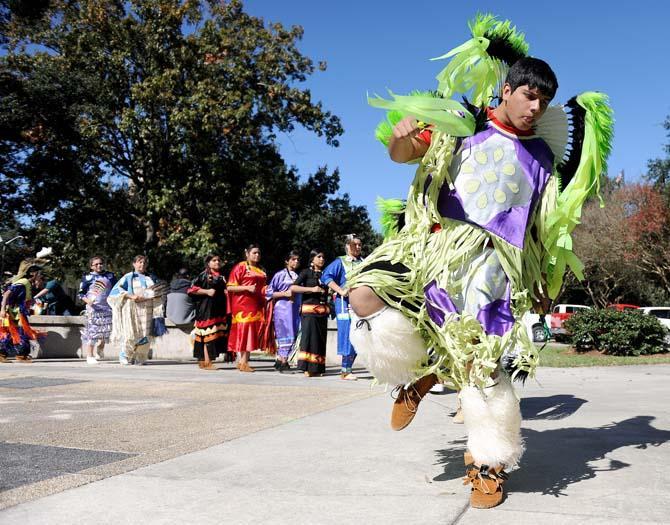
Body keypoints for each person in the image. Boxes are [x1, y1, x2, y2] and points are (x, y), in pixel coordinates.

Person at [347, 14, 613, 509]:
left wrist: (539, 279)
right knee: (363, 293)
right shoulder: (461, 123)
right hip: (436, 249)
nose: (536, 107)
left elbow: (541, 226)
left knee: (484, 368)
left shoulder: (543, 159)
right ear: (507, 89)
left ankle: (488, 466)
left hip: (496, 268)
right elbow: (404, 153)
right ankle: (415, 373)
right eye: (529, 96)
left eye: (545, 101)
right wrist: (403, 135)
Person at [108, 255, 167, 365]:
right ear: (134, 264)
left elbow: (160, 291)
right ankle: (125, 355)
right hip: (133, 310)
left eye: (144, 262)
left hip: (149, 309)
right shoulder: (128, 277)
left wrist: (155, 295)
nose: (142, 264)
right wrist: (130, 296)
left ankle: (140, 356)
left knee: (146, 333)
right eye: (139, 262)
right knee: (131, 333)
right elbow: (115, 291)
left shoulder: (151, 278)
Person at [322, 234, 363, 380]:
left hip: (360, 303)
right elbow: (326, 277)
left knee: (360, 335)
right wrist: (340, 290)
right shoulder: (340, 261)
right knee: (347, 332)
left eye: (359, 244)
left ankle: (348, 368)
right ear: (347, 246)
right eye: (354, 244)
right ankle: (345, 370)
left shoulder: (364, 262)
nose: (358, 247)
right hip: (343, 303)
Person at [227, 244, 269, 372]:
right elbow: (230, 287)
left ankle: (243, 362)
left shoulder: (260, 269)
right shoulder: (240, 267)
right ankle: (243, 362)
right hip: (242, 305)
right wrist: (246, 288)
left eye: (258, 253)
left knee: (251, 332)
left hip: (256, 304)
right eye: (254, 253)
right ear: (247, 253)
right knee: (244, 332)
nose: (257, 255)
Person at [290, 250, 329, 377]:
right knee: (309, 339)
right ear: (312, 259)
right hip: (309, 311)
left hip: (322, 312)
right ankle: (307, 367)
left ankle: (318, 368)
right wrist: (311, 289)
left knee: (320, 340)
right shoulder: (306, 272)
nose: (322, 259)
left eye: (323, 256)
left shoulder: (326, 274)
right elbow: (293, 288)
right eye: (319, 256)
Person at [188, 254, 230, 370]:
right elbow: (191, 290)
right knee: (207, 335)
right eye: (214, 260)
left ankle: (204, 361)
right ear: (208, 263)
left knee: (214, 334)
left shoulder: (221, 276)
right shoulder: (204, 275)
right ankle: (207, 362)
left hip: (218, 309)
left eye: (218, 260)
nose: (217, 262)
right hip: (206, 309)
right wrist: (206, 291)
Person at [0, 261, 44, 363]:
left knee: (13, 333)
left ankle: (3, 354)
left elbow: (23, 299)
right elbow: (6, 294)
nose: (40, 276)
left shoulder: (26, 283)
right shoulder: (23, 282)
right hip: (14, 312)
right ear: (34, 274)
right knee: (22, 332)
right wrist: (2, 309)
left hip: (16, 312)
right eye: (40, 274)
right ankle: (21, 355)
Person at [266, 250, 301, 373]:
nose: (296, 262)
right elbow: (268, 292)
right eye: (293, 259)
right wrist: (284, 293)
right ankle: (284, 361)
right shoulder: (280, 275)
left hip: (294, 308)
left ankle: (280, 359)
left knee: (294, 332)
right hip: (282, 308)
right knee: (285, 333)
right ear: (287, 261)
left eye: (297, 259)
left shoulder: (297, 276)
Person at [78, 256, 116, 364]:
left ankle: (100, 348)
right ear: (91, 266)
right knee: (92, 332)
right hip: (93, 309)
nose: (99, 266)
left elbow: (116, 289)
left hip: (107, 308)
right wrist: (87, 301)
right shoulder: (87, 277)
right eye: (96, 264)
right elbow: (80, 293)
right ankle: (89, 356)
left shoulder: (110, 276)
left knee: (105, 332)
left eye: (101, 263)